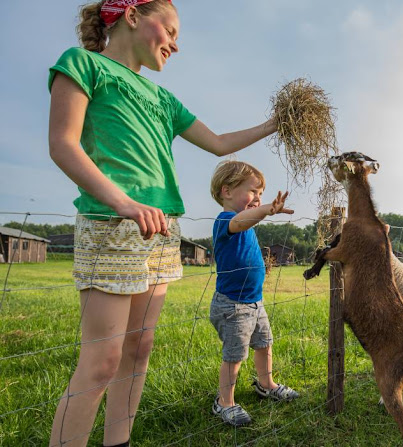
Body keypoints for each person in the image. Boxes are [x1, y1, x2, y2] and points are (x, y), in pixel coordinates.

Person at [48, 1, 281, 445]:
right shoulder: (82, 65)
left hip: (161, 231)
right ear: (133, 15)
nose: (176, 43)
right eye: (170, 30)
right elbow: (63, 143)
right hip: (112, 224)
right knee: (101, 361)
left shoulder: (162, 98)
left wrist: (275, 123)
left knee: (138, 351)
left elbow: (217, 143)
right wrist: (123, 202)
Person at [208, 160, 299, 427]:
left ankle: (266, 384)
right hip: (233, 305)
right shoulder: (227, 220)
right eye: (253, 192)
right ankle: (224, 402)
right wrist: (266, 210)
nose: (258, 199)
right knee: (234, 355)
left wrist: (261, 210)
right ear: (227, 192)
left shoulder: (247, 223)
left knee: (264, 343)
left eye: (261, 195)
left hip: (254, 302)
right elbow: (239, 222)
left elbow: (247, 222)